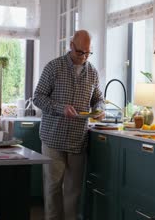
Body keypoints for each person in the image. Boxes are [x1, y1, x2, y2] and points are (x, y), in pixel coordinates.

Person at [33, 30, 105, 220]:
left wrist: (99, 109)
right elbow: (38, 97)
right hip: (53, 139)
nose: (84, 57)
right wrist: (60, 108)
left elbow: (98, 98)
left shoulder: (93, 72)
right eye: (81, 52)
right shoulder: (54, 67)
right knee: (53, 189)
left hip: (77, 140)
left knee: (73, 192)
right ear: (71, 46)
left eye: (88, 53)